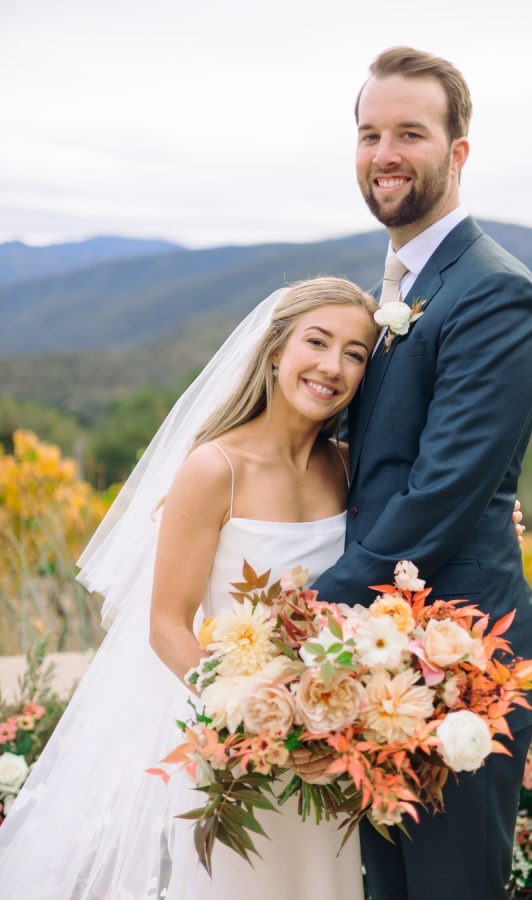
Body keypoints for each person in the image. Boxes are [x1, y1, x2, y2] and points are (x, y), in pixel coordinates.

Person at [0, 277, 379, 899]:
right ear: (277, 348)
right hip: (236, 751)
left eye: (355, 353)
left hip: (327, 751)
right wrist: (265, 724)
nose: (332, 366)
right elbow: (167, 626)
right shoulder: (213, 469)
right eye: (318, 341)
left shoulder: (346, 467)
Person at [311, 47, 532, 900]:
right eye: (370, 133)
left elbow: (443, 493)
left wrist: (306, 610)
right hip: (390, 661)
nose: (384, 154)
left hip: (463, 666)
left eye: (409, 133)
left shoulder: (493, 294)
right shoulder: (402, 290)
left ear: (458, 153)